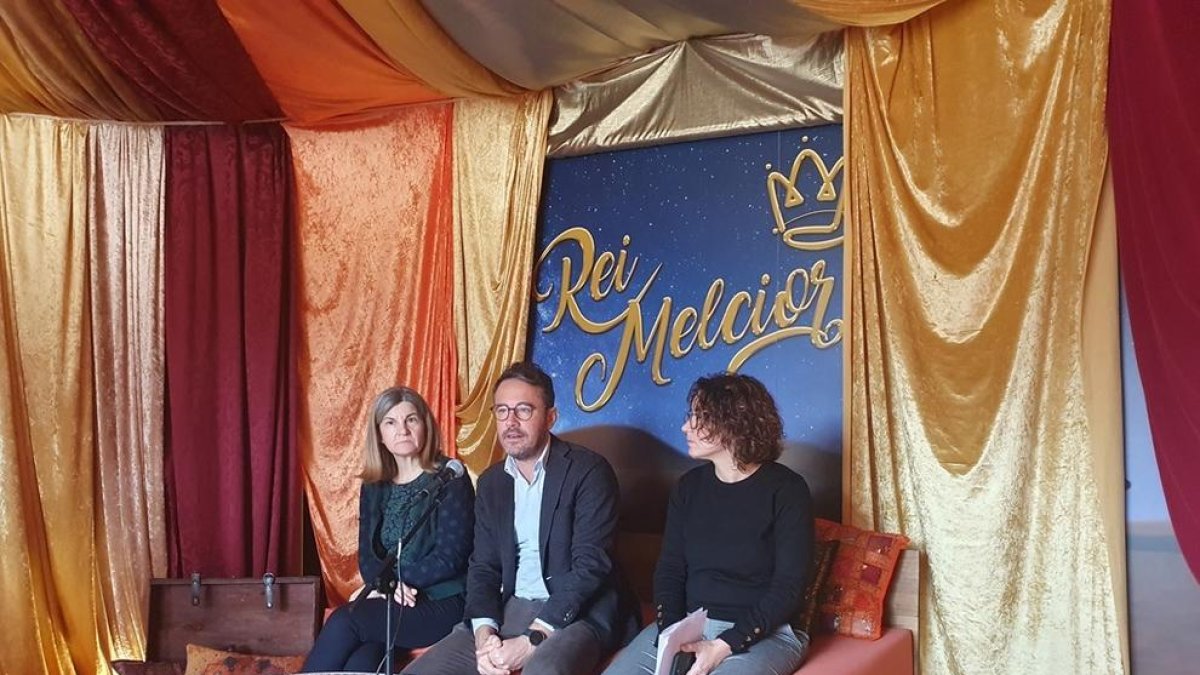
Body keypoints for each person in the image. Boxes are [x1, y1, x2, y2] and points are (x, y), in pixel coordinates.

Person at [404, 362, 638, 675]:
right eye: (502, 411)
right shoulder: (492, 482)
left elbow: (590, 566)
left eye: (524, 410)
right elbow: (484, 566)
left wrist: (532, 639)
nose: (510, 422)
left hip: (578, 610)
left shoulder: (589, 472)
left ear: (550, 417)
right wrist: (484, 632)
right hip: (513, 605)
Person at [603, 373, 814, 675]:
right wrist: (673, 636)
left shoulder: (787, 490)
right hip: (690, 625)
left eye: (699, 418)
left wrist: (724, 644)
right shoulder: (688, 488)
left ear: (734, 423)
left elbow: (789, 587)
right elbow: (670, 570)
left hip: (767, 631)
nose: (685, 426)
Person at [302, 387, 474, 673]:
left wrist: (392, 584)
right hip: (392, 600)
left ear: (425, 426)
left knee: (346, 620)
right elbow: (368, 556)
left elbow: (451, 557)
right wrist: (386, 587)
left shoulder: (449, 477)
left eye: (411, 420)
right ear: (379, 434)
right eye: (391, 422)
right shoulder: (374, 484)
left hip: (443, 602)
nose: (402, 430)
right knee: (363, 659)